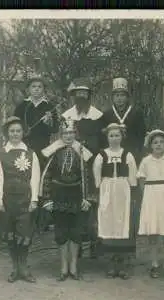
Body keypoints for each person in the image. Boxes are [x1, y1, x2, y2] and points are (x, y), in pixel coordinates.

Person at [40, 117, 94, 281]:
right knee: (62, 232)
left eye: (71, 133)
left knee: (75, 232)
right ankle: (63, 268)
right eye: (65, 133)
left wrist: (87, 198)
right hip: (59, 195)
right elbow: (47, 176)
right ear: (60, 135)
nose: (68, 136)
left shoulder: (82, 152)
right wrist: (47, 198)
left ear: (75, 134)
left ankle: (74, 267)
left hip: (76, 195)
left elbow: (87, 177)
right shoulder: (54, 152)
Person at [0, 116, 41, 283]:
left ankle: (24, 267)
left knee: (25, 233)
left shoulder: (31, 153)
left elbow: (35, 178)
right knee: (11, 235)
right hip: (7, 200)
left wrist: (34, 199)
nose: (15, 134)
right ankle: (14, 267)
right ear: (7, 133)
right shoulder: (0, 154)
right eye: (12, 131)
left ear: (23, 133)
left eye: (18, 131)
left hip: (25, 199)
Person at [62, 77, 106, 258]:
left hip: (92, 163)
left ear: (89, 96)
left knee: (93, 203)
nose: (81, 97)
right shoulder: (67, 116)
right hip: (72, 163)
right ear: (73, 97)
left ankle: (95, 242)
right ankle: (76, 244)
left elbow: (103, 143)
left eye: (84, 94)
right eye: (78, 94)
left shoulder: (98, 116)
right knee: (75, 201)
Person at [93, 123, 138, 279]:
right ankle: (111, 264)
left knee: (122, 222)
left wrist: (131, 188)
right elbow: (97, 175)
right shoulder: (101, 155)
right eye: (111, 136)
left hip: (122, 190)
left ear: (122, 137)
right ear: (107, 137)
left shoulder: (128, 155)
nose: (114, 138)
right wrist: (100, 188)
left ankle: (123, 264)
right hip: (107, 190)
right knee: (108, 222)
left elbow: (133, 176)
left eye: (117, 135)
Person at [137, 129, 164, 280]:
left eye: (161, 142)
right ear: (150, 145)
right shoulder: (145, 161)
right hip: (151, 197)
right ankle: (155, 264)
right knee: (153, 233)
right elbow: (142, 181)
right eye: (155, 142)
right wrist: (150, 197)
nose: (158, 145)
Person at [13, 73, 59, 168]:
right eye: (33, 86)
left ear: (43, 89)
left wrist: (49, 122)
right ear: (29, 89)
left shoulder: (49, 107)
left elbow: (55, 129)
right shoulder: (22, 106)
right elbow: (14, 126)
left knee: (41, 170)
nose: (36, 89)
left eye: (39, 87)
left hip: (43, 146)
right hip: (25, 145)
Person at [101, 78, 146, 164]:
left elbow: (141, 135)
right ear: (113, 98)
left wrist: (138, 151)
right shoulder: (107, 114)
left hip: (132, 152)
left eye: (122, 95)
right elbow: (104, 137)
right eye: (117, 95)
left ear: (127, 97)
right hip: (113, 153)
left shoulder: (136, 113)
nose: (119, 98)